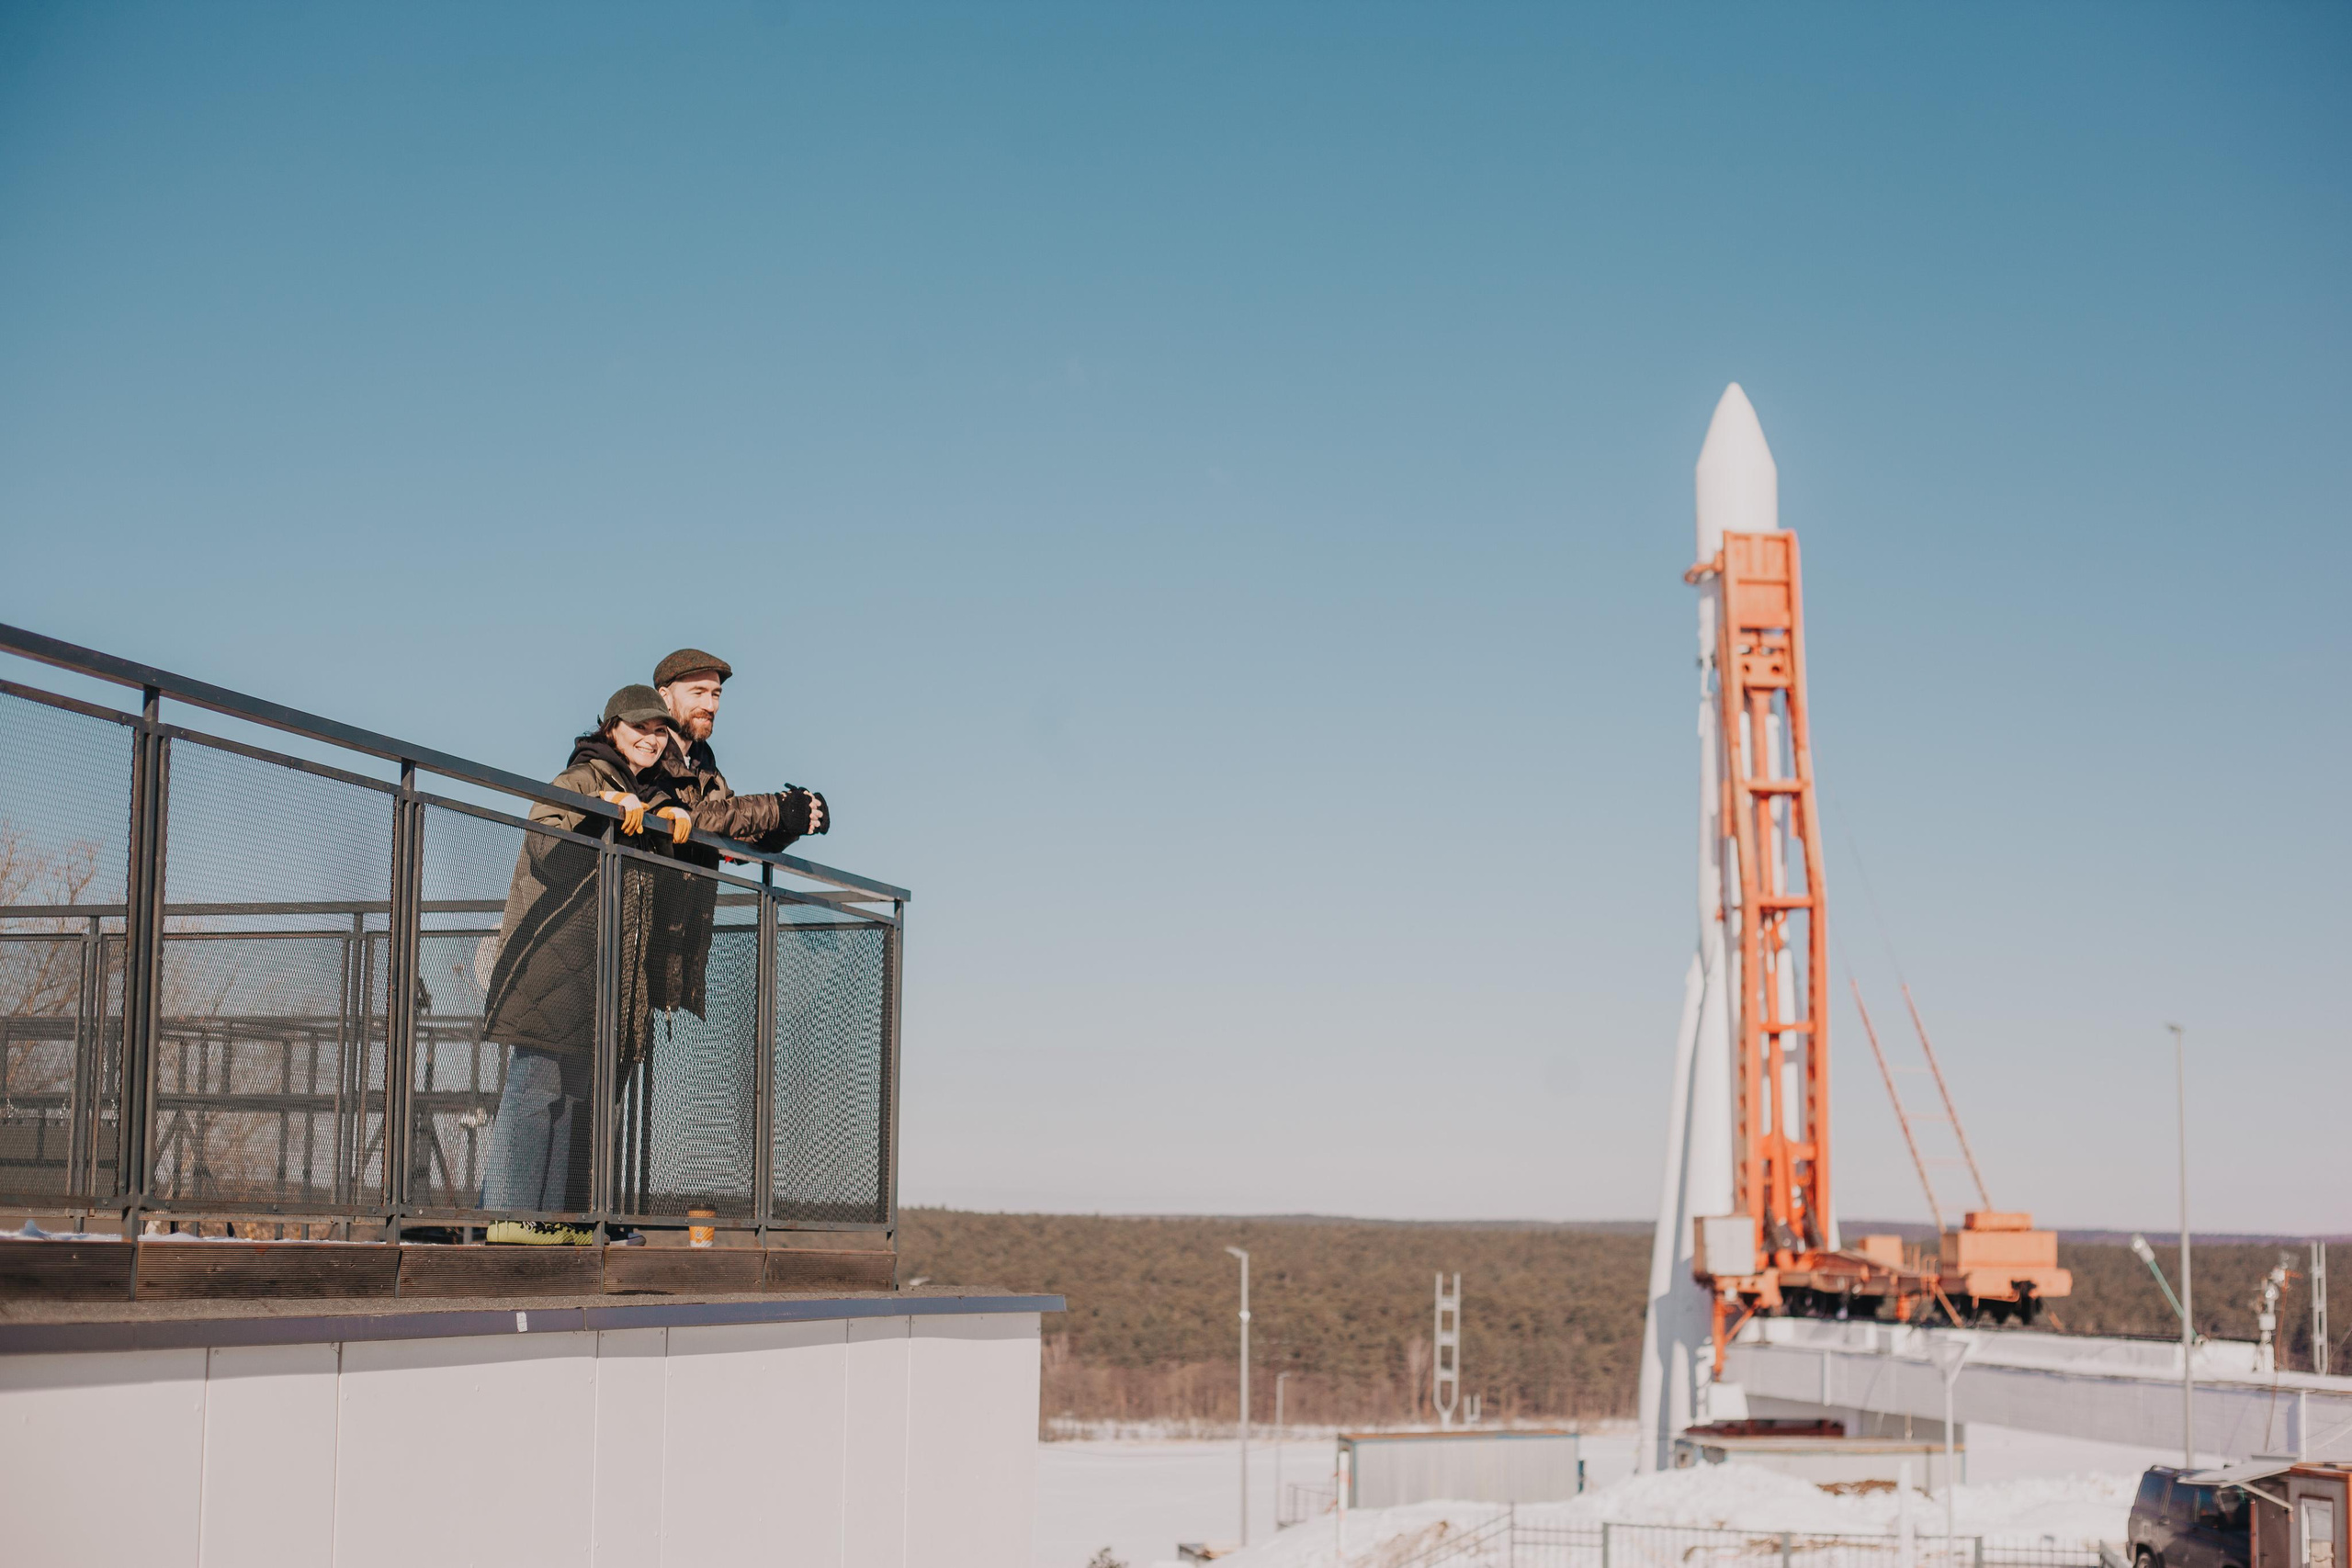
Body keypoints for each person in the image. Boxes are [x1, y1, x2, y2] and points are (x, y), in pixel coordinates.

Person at [475, 685, 696, 1244]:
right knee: (538, 1094)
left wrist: (666, 828)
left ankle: (565, 1225)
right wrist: (600, 813)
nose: (651, 739)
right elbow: (545, 850)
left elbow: (655, 894)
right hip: (555, 968)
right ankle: (502, 1225)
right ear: (612, 728)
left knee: (584, 1103)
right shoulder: (584, 778)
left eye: (658, 731)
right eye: (639, 729)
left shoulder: (649, 794)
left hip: (610, 980)